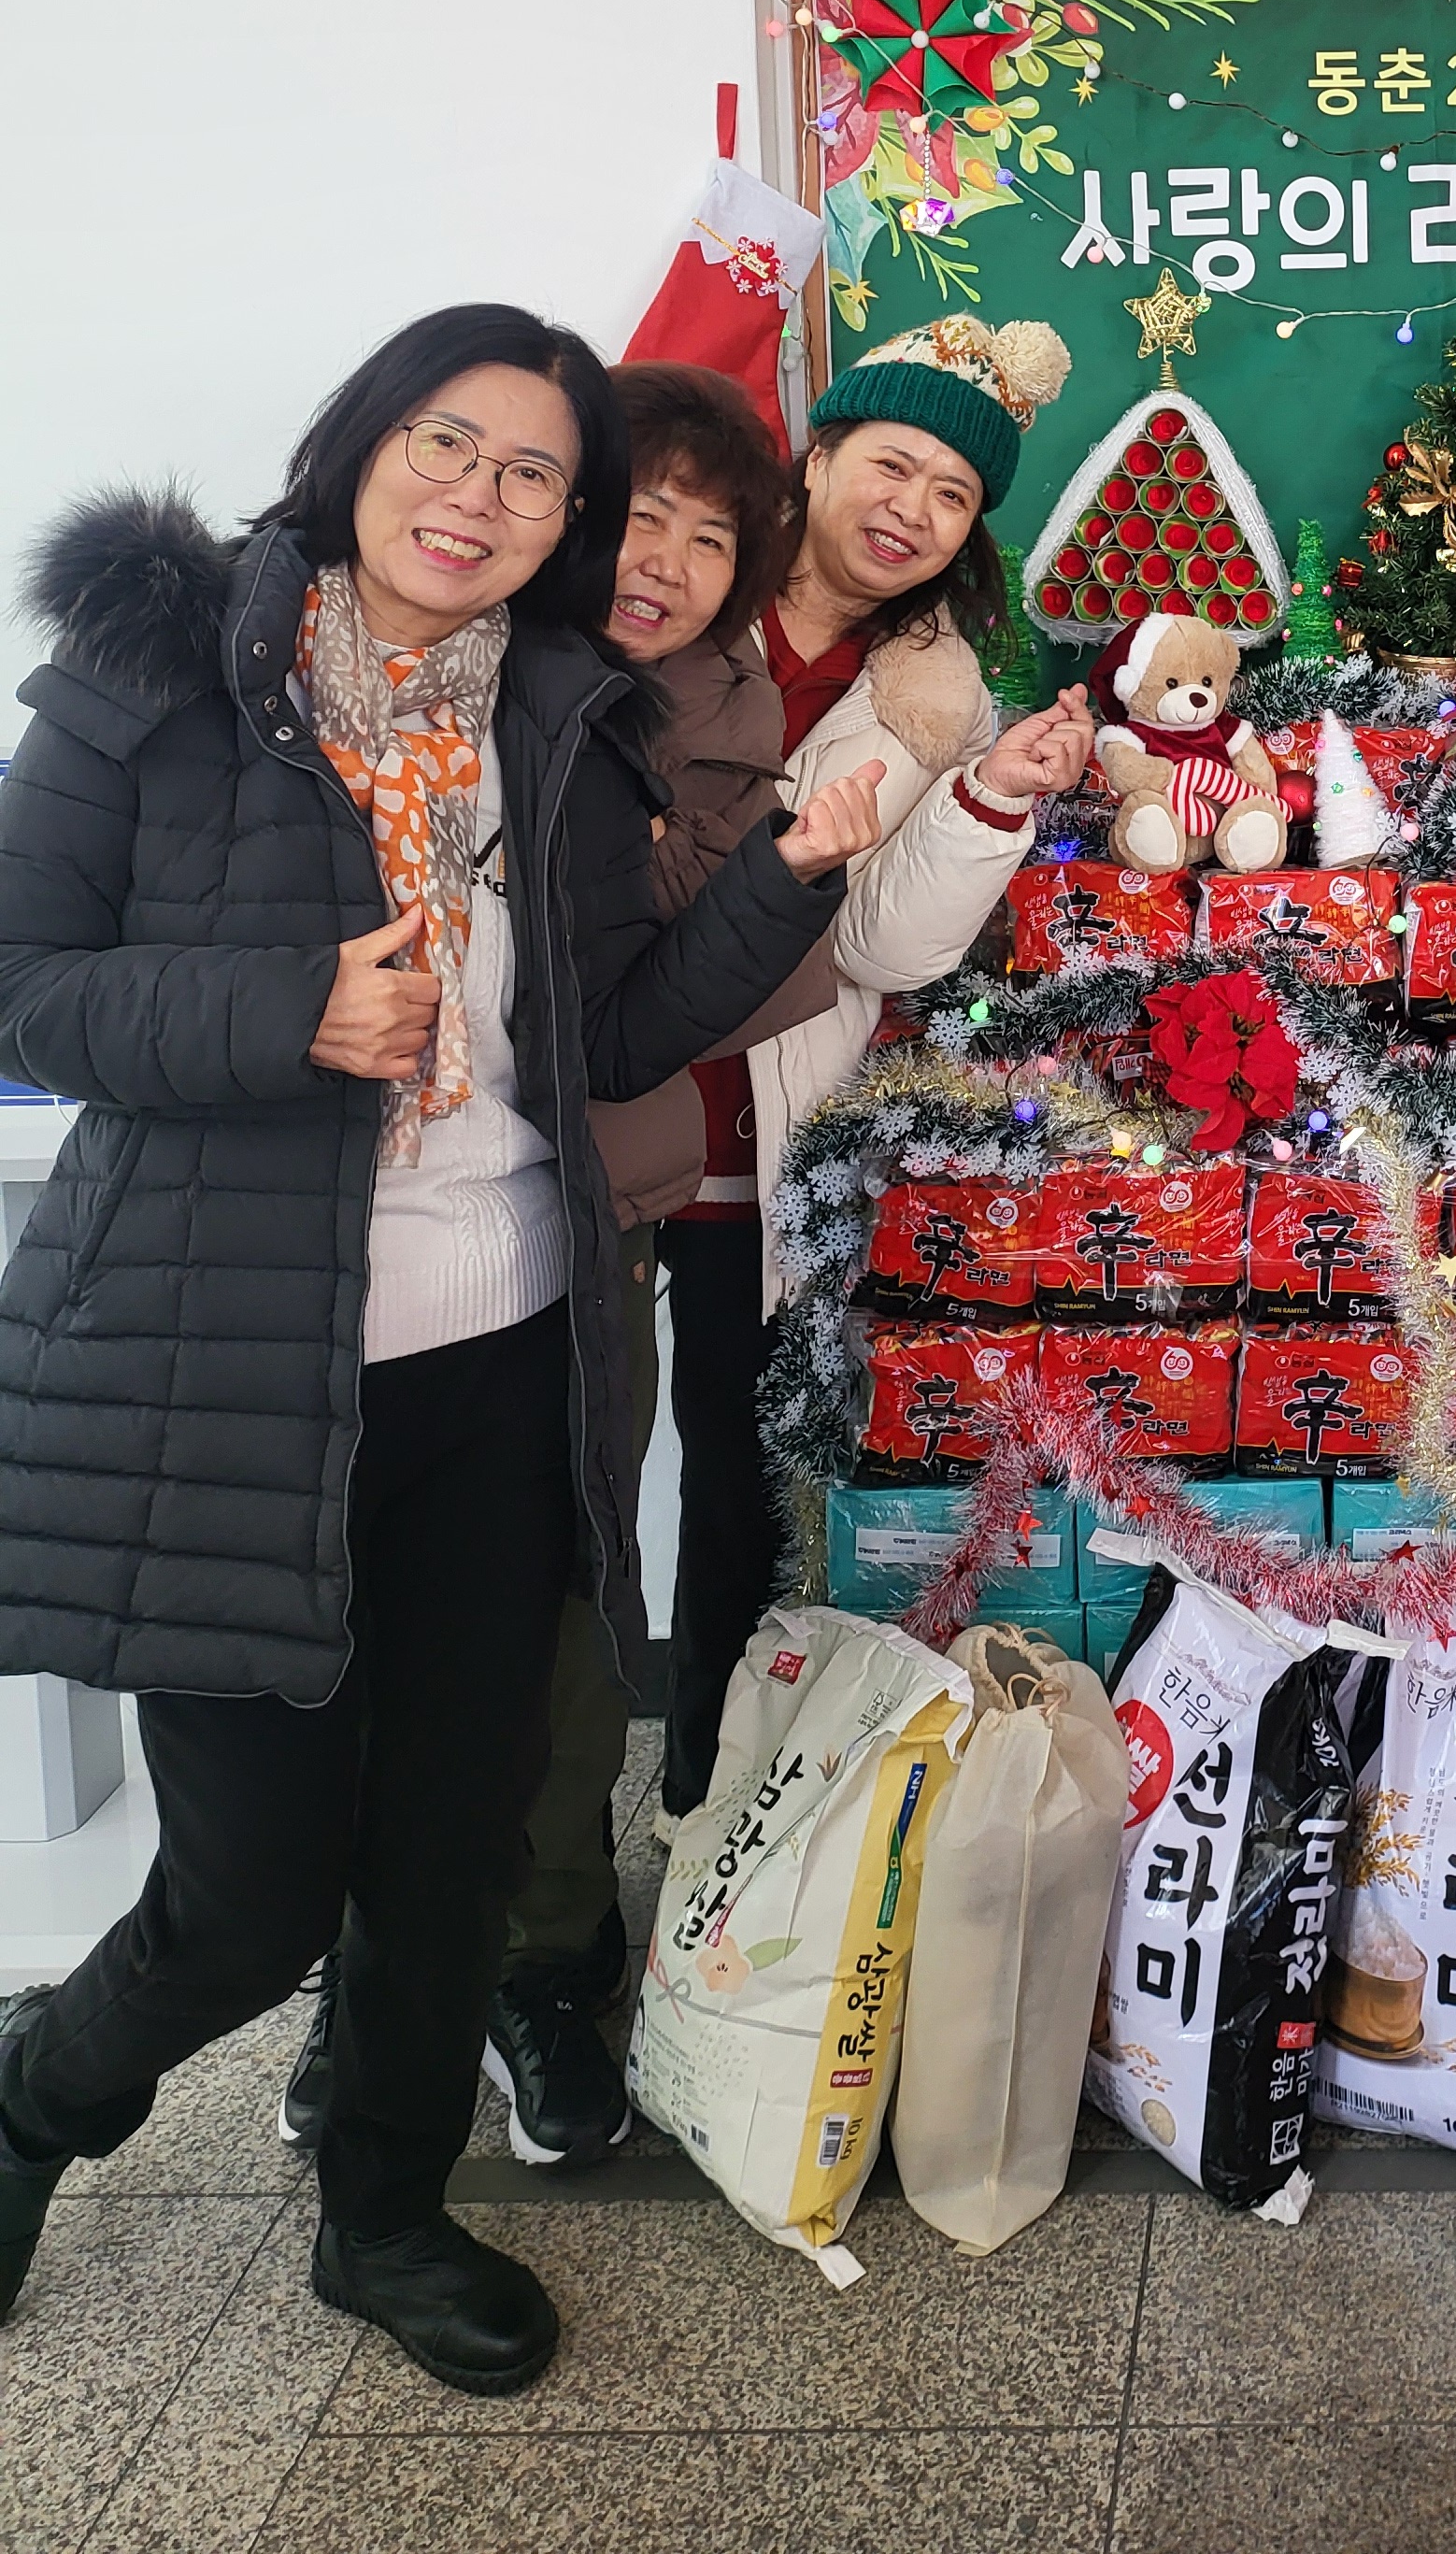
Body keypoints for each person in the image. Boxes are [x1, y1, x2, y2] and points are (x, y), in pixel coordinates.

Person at [0, 307, 877, 2391]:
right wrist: (282, 1009)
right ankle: (40, 2092)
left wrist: (790, 874)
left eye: (532, 475)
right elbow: (21, 980)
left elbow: (622, 1025)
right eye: (447, 442)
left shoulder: (563, 722)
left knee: (455, 1838)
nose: (479, 496)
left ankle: (383, 2210)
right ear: (359, 441)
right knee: (254, 1890)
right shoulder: (160, 667)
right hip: (230, 1375)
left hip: (506, 1365)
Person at [653, 315, 1094, 1830]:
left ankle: (702, 1808)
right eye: (890, 462)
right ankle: (531, 1886)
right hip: (588, 1115)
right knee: (546, 1501)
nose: (911, 505)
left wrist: (980, 787)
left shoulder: (937, 689)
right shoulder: (671, 600)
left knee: (733, 1492)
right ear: (819, 453)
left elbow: (896, 949)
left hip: (753, 1141)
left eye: (956, 492)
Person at [476, 362, 830, 2163]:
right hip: (361, 1213)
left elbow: (670, 1001)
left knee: (560, 1592)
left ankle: (545, 1958)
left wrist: (799, 869)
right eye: (642, 516)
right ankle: (388, 1968)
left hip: (581, 1208)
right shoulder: (453, 662)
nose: (667, 561)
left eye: (714, 538)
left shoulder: (728, 713)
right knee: (374, 1608)